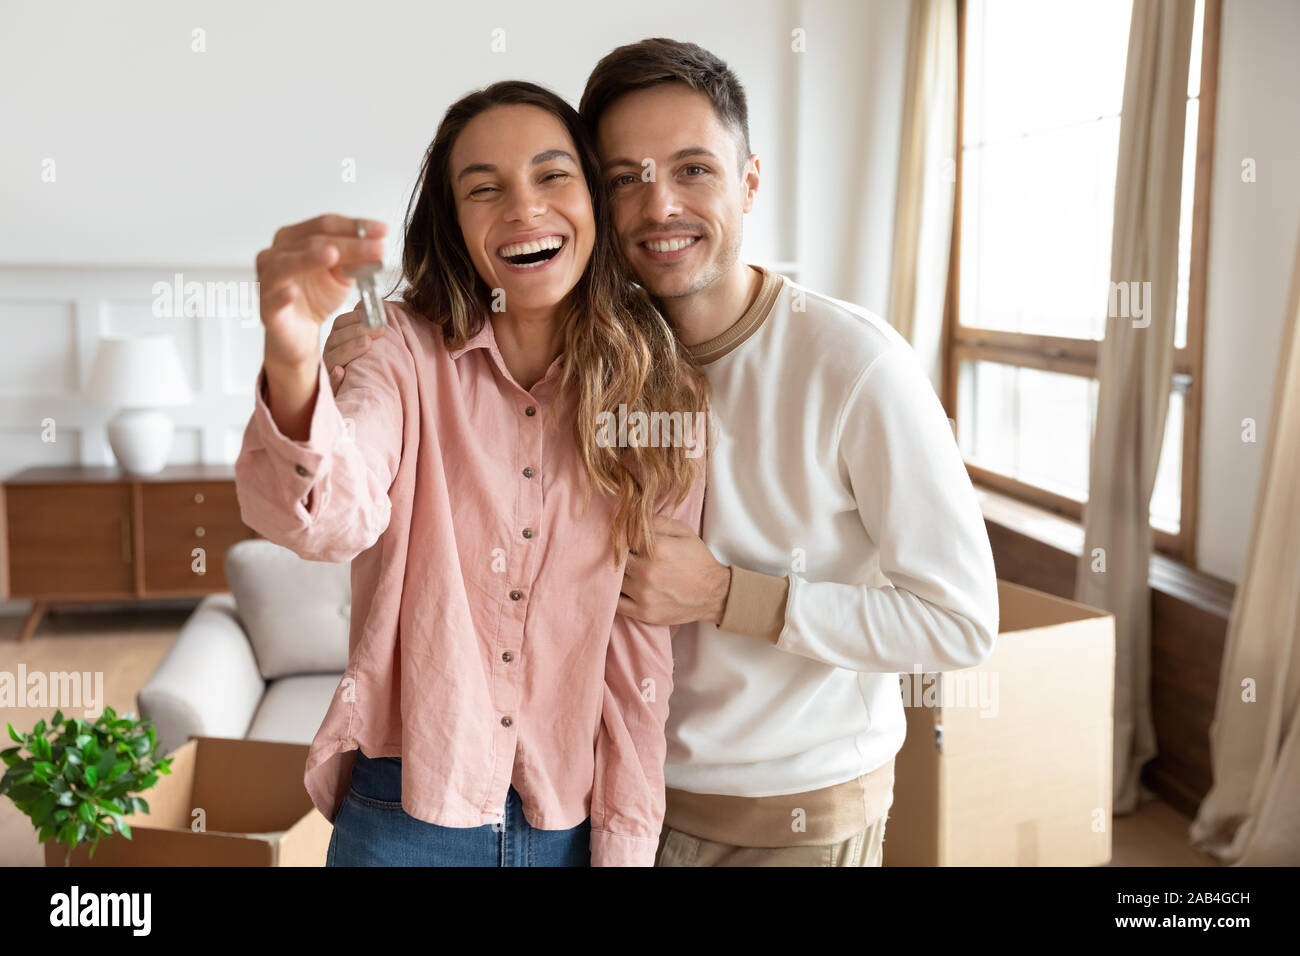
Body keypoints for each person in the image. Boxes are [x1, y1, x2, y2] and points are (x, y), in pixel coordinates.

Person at [326, 39, 999, 868]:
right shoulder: (595, 364)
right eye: (625, 179)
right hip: (602, 806)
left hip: (781, 817)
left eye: (693, 170)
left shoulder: (855, 365)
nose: (658, 207)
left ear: (748, 181)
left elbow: (961, 624)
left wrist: (728, 594)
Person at [235, 79, 707, 867]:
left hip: (569, 824)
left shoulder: (656, 392)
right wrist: (291, 356)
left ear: (593, 199)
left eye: (553, 175)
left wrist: (623, 848)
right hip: (403, 814)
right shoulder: (397, 352)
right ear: (454, 226)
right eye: (484, 189)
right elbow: (329, 518)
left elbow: (639, 661)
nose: (524, 209)